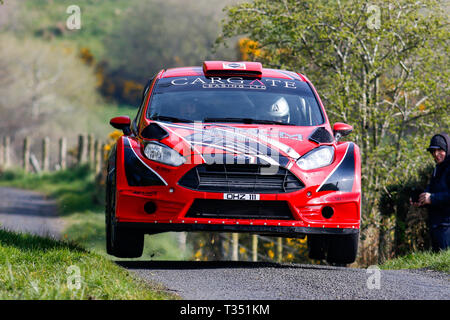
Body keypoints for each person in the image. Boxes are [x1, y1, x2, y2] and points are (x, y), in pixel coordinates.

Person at [411, 132, 450, 252]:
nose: (436, 154)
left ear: (447, 149)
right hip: (436, 225)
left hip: (447, 227)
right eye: (433, 151)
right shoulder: (438, 168)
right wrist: (422, 200)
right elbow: (432, 190)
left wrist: (432, 198)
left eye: (440, 150)